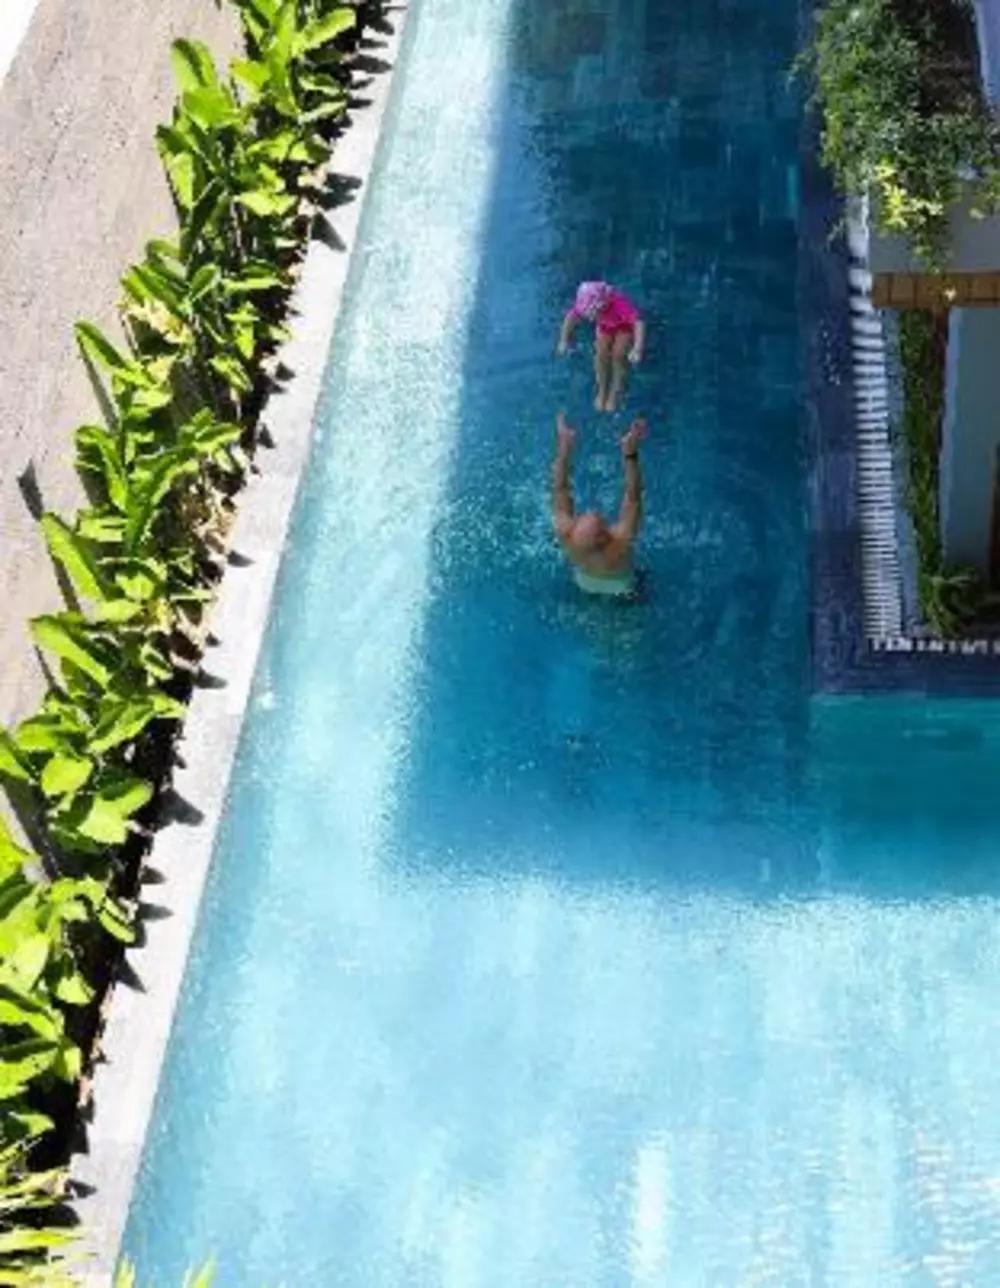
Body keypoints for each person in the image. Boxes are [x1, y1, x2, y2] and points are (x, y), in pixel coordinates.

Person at [552, 410, 647, 596]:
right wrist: (630, 454)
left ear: (574, 527)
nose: (592, 510)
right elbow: (633, 497)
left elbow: (560, 489)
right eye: (600, 519)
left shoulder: (567, 538)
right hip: (621, 587)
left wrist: (564, 448)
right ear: (608, 535)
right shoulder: (620, 544)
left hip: (584, 583)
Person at [556, 280, 646, 412]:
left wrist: (637, 348)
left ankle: (616, 390)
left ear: (602, 304)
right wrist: (563, 340)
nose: (590, 318)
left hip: (624, 325)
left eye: (594, 313)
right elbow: (570, 318)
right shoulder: (585, 303)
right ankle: (602, 389)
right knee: (600, 353)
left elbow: (638, 323)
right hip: (605, 326)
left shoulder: (618, 303)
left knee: (618, 354)